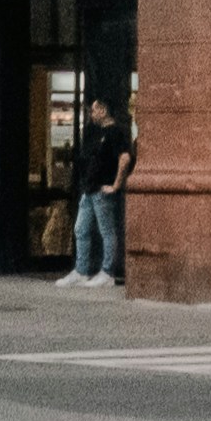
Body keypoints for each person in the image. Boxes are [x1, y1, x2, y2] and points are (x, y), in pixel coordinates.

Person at [63, 114, 136, 291]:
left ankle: (107, 272)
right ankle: (81, 271)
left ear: (103, 110)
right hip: (90, 189)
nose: (92, 113)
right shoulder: (96, 132)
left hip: (102, 189)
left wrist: (116, 185)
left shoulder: (115, 132)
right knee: (81, 228)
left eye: (94, 108)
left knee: (107, 231)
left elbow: (124, 158)